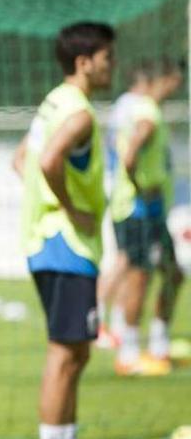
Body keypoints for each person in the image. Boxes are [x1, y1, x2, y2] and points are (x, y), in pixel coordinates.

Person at [14, 22, 114, 439]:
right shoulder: (77, 114)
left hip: (45, 240)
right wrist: (70, 209)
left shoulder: (53, 102)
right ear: (84, 62)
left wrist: (46, 199)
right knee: (64, 353)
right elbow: (48, 161)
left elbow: (20, 159)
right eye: (108, 58)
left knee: (74, 352)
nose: (113, 66)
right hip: (67, 244)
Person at [105, 58, 184, 375]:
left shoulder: (136, 109)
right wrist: (139, 185)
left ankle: (158, 344)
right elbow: (131, 151)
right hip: (139, 209)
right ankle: (129, 352)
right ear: (160, 79)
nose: (175, 89)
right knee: (140, 275)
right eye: (173, 82)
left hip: (147, 210)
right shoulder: (147, 113)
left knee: (172, 272)